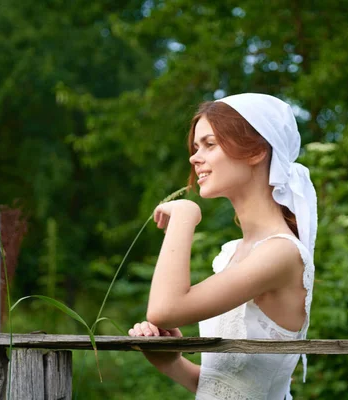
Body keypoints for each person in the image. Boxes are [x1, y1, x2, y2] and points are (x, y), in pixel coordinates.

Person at [128, 93, 318, 399]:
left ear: (256, 151)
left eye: (209, 144)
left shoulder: (280, 253)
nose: (194, 157)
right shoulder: (231, 253)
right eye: (195, 147)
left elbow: (164, 310)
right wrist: (172, 363)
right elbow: (228, 387)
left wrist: (185, 215)